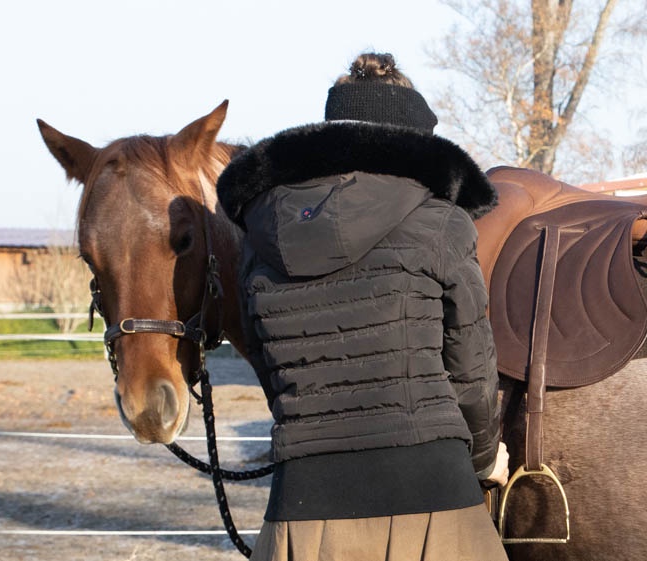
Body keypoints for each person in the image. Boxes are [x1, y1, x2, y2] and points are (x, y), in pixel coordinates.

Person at [216, 52, 510, 561]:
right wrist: (484, 459)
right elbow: (470, 364)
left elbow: (267, 367)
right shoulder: (442, 222)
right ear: (413, 144)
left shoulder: (259, 232)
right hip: (435, 497)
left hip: (302, 509)